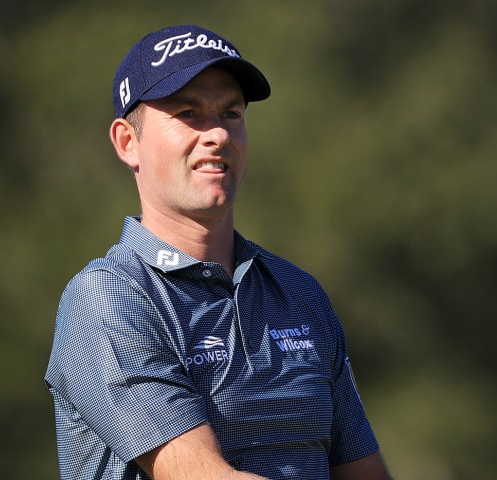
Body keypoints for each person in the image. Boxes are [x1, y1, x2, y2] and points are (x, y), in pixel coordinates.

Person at [45, 24, 394, 480]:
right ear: (128, 142)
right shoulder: (108, 298)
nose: (217, 134)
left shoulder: (300, 293)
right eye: (189, 113)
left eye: (230, 114)